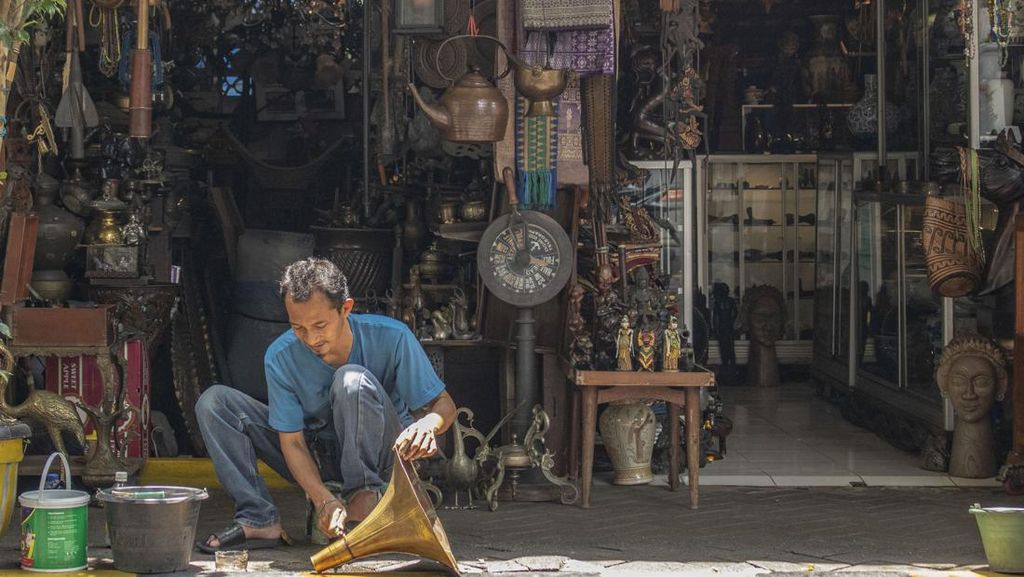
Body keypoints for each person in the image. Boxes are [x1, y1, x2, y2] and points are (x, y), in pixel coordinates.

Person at [195, 257, 456, 552]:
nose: (311, 339)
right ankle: (258, 518)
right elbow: (292, 442)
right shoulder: (280, 356)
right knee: (214, 403)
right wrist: (323, 500)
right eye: (298, 328)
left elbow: (444, 405)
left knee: (351, 380)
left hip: (381, 457)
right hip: (318, 454)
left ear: (346, 308)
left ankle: (364, 497)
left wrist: (428, 424)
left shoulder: (392, 336)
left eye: (320, 325)